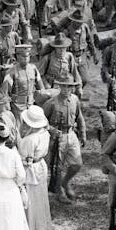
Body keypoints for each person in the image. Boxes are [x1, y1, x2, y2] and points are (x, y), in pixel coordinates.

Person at [43, 73, 87, 204]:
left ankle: (65, 182)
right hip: (57, 137)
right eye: (64, 87)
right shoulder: (51, 103)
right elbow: (42, 121)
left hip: (71, 134)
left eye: (70, 87)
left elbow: (79, 117)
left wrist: (83, 133)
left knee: (77, 164)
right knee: (57, 166)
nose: (67, 90)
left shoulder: (74, 100)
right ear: (59, 87)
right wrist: (51, 129)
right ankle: (59, 192)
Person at [18, 105, 53, 230]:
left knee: (30, 199)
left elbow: (23, 157)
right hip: (41, 166)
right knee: (41, 197)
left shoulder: (30, 139)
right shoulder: (45, 134)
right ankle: (43, 229)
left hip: (31, 169)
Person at [1, 44, 45, 121]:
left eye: (28, 56)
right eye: (23, 56)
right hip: (17, 106)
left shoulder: (33, 69)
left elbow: (41, 86)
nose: (26, 58)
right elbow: (5, 92)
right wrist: (7, 106)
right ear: (17, 56)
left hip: (31, 104)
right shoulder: (11, 72)